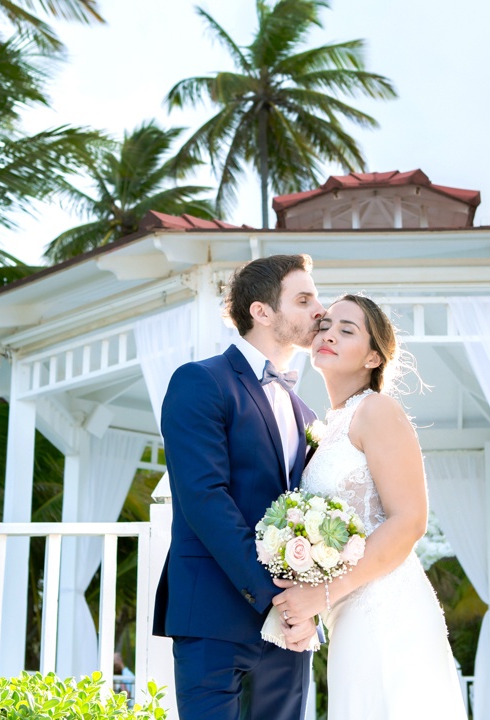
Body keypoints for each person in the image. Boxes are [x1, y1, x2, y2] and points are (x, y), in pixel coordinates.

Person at [271, 294, 468, 719]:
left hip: (387, 609)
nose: (329, 335)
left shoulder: (377, 410)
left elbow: (411, 519)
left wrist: (322, 594)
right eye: (325, 326)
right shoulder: (328, 426)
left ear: (374, 357)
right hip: (347, 613)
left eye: (347, 330)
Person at [152, 254, 325, 720]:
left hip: (290, 629)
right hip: (214, 615)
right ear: (261, 311)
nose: (319, 311)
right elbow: (205, 499)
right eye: (304, 299)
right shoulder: (201, 381)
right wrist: (278, 597)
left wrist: (302, 605)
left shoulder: (306, 413)